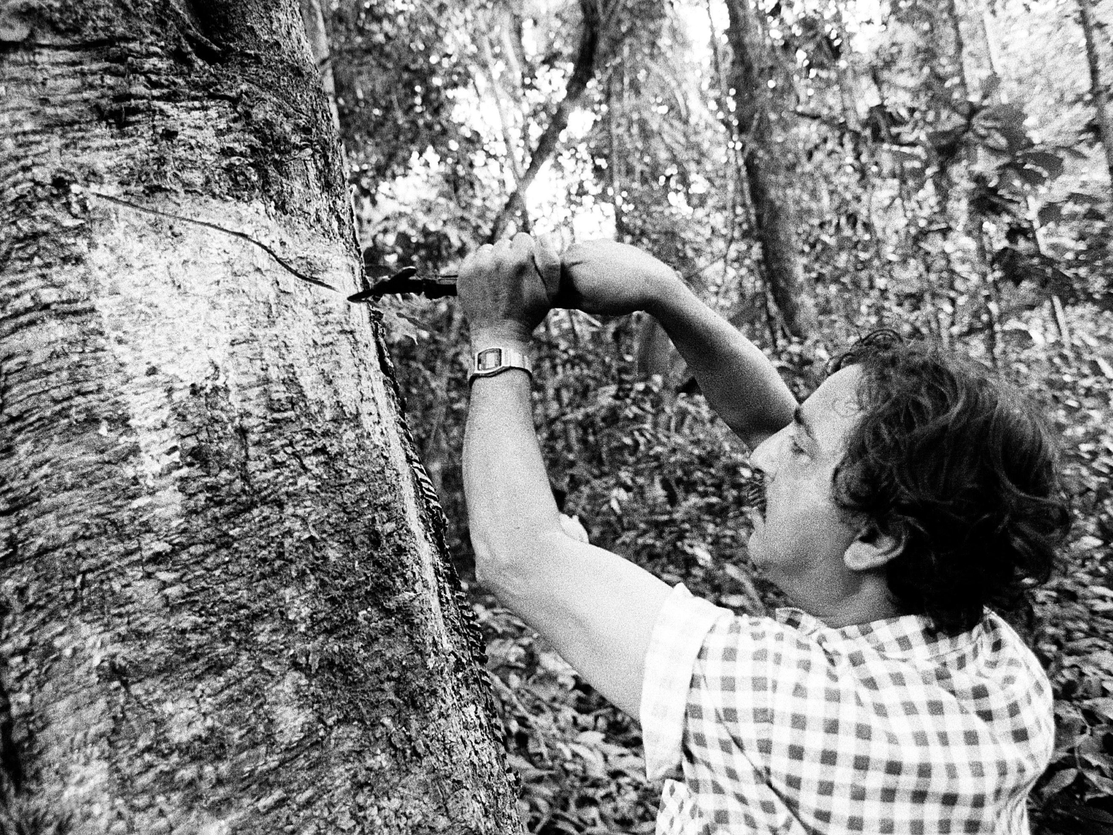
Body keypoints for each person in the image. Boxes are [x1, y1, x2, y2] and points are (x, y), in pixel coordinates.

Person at [457, 233, 1070, 834]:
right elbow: (769, 424)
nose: (763, 458)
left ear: (879, 538)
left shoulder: (800, 709)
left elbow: (518, 556)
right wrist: (663, 293)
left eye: (799, 451)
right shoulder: (1000, 669)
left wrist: (498, 336)